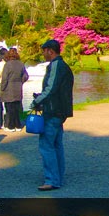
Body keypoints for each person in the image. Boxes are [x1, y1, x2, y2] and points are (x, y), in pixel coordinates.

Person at [32, 39, 74, 191]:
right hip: (59, 110)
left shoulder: (56, 65)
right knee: (56, 145)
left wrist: (37, 101)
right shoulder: (64, 66)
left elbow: (51, 88)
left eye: (44, 51)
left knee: (47, 145)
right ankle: (58, 177)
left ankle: (52, 179)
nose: (43, 54)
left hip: (53, 110)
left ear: (50, 50)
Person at [0, 48, 29, 132]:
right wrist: (21, 82)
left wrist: (2, 88)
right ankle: (18, 125)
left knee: (9, 108)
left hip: (9, 88)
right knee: (16, 108)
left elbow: (4, 78)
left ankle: (11, 126)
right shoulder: (21, 64)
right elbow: (26, 76)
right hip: (18, 88)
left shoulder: (7, 65)